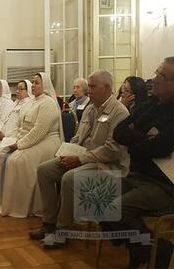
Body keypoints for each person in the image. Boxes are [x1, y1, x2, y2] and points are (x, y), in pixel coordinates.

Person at [29, 71, 130, 247]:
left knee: (70, 178)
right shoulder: (91, 108)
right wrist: (66, 152)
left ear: (107, 88)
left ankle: (63, 230)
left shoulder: (120, 112)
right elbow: (77, 137)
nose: (88, 90)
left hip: (107, 165)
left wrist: (79, 159)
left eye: (92, 86)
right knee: (44, 170)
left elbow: (112, 150)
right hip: (82, 157)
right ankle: (49, 223)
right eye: (88, 86)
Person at [102, 58, 174, 268]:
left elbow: (161, 146)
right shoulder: (150, 104)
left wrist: (136, 140)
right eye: (156, 71)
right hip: (136, 175)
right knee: (93, 195)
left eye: (161, 76)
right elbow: (119, 131)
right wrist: (145, 138)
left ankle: (155, 250)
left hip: (163, 184)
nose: (154, 78)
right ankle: (146, 250)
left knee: (118, 209)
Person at [0, 73, 63, 218]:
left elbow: (39, 132)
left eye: (36, 83)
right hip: (29, 139)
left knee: (17, 161)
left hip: (46, 142)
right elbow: (23, 126)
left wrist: (18, 145)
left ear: (45, 85)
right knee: (1, 155)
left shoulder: (47, 103)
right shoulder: (33, 102)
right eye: (33, 83)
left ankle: (20, 206)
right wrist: (15, 140)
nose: (33, 85)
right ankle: (3, 200)